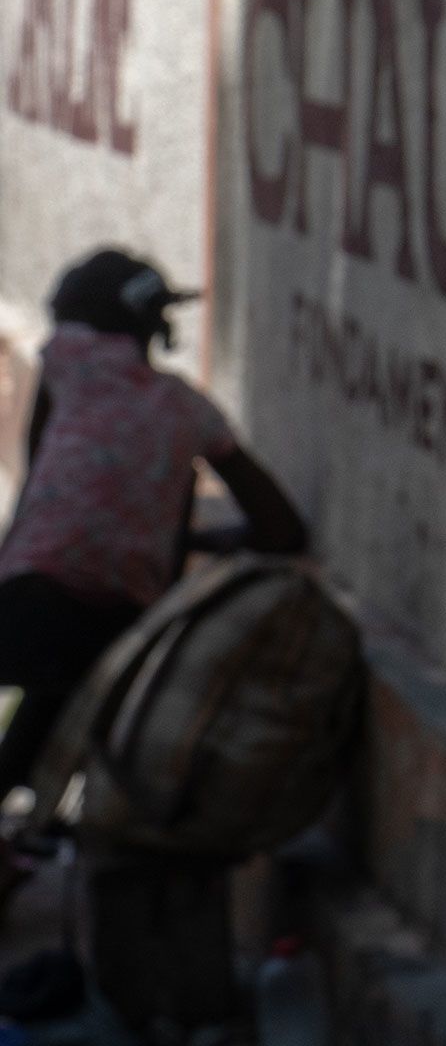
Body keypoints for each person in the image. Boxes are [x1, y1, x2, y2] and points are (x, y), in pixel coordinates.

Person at [0, 249, 308, 800]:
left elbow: (36, 482)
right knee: (71, 688)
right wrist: (204, 540)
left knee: (49, 684)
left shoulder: (65, 367)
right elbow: (280, 527)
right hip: (120, 630)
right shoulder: (190, 411)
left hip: (22, 604)